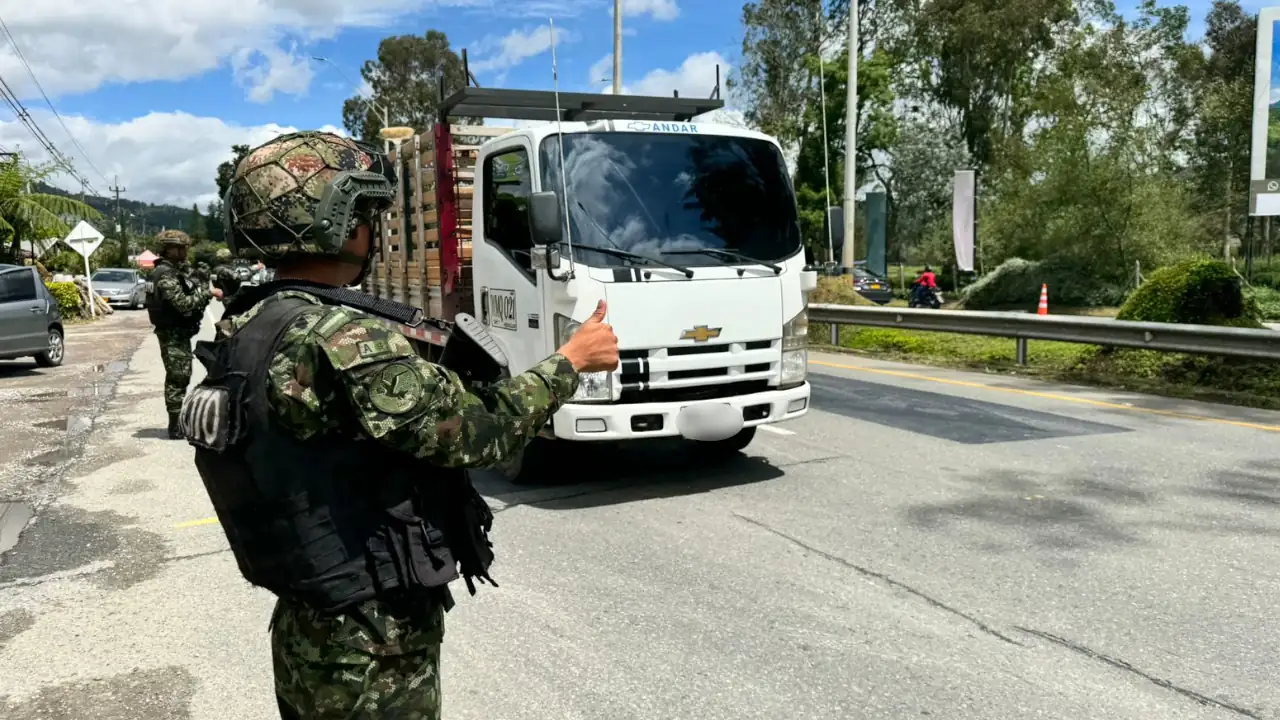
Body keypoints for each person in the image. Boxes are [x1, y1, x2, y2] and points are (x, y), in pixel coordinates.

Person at [180, 130, 619, 719]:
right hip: (369, 646)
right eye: (364, 214)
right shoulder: (340, 337)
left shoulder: (249, 323)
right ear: (339, 223)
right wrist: (572, 361)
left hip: (308, 624)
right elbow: (479, 433)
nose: (370, 229)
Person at [147, 230, 212, 439]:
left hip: (176, 332)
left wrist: (199, 279)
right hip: (172, 333)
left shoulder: (170, 271)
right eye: (180, 248)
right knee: (178, 377)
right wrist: (207, 293)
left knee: (181, 375)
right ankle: (175, 426)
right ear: (168, 250)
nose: (185, 251)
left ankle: (178, 422)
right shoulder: (165, 274)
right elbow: (183, 304)